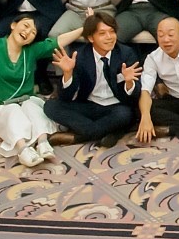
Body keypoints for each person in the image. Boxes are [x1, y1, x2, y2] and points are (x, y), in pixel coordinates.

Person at [0, 0, 85, 167]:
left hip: (24, 100)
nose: (28, 32)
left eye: (33, 32)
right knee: (13, 111)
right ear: (13, 25)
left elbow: (59, 41)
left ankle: (43, 143)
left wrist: (85, 28)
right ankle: (23, 149)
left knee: (33, 107)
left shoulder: (31, 51)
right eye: (25, 26)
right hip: (0, 107)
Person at [45, 10, 142, 148]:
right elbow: (65, 97)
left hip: (116, 107)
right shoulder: (80, 56)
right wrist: (67, 73)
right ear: (91, 37)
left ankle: (77, 137)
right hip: (89, 105)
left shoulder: (126, 53)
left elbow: (135, 96)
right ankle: (110, 132)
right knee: (50, 106)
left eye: (112, 32)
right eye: (102, 33)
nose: (109, 37)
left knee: (126, 114)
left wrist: (129, 83)